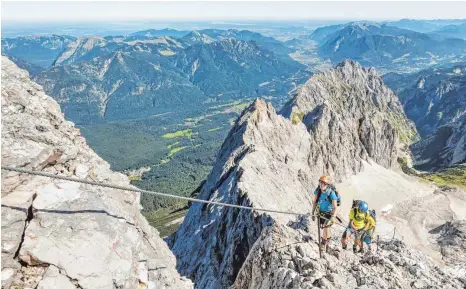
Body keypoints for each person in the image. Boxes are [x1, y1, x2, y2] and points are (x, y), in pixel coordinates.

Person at [311, 175, 338, 251]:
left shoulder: (331, 193)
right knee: (326, 228)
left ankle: (323, 243)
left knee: (326, 226)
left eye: (324, 183)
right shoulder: (318, 190)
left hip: (329, 213)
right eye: (320, 182)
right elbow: (315, 202)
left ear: (328, 185)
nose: (321, 185)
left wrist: (333, 217)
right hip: (321, 212)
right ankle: (328, 239)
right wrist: (312, 212)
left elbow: (335, 207)